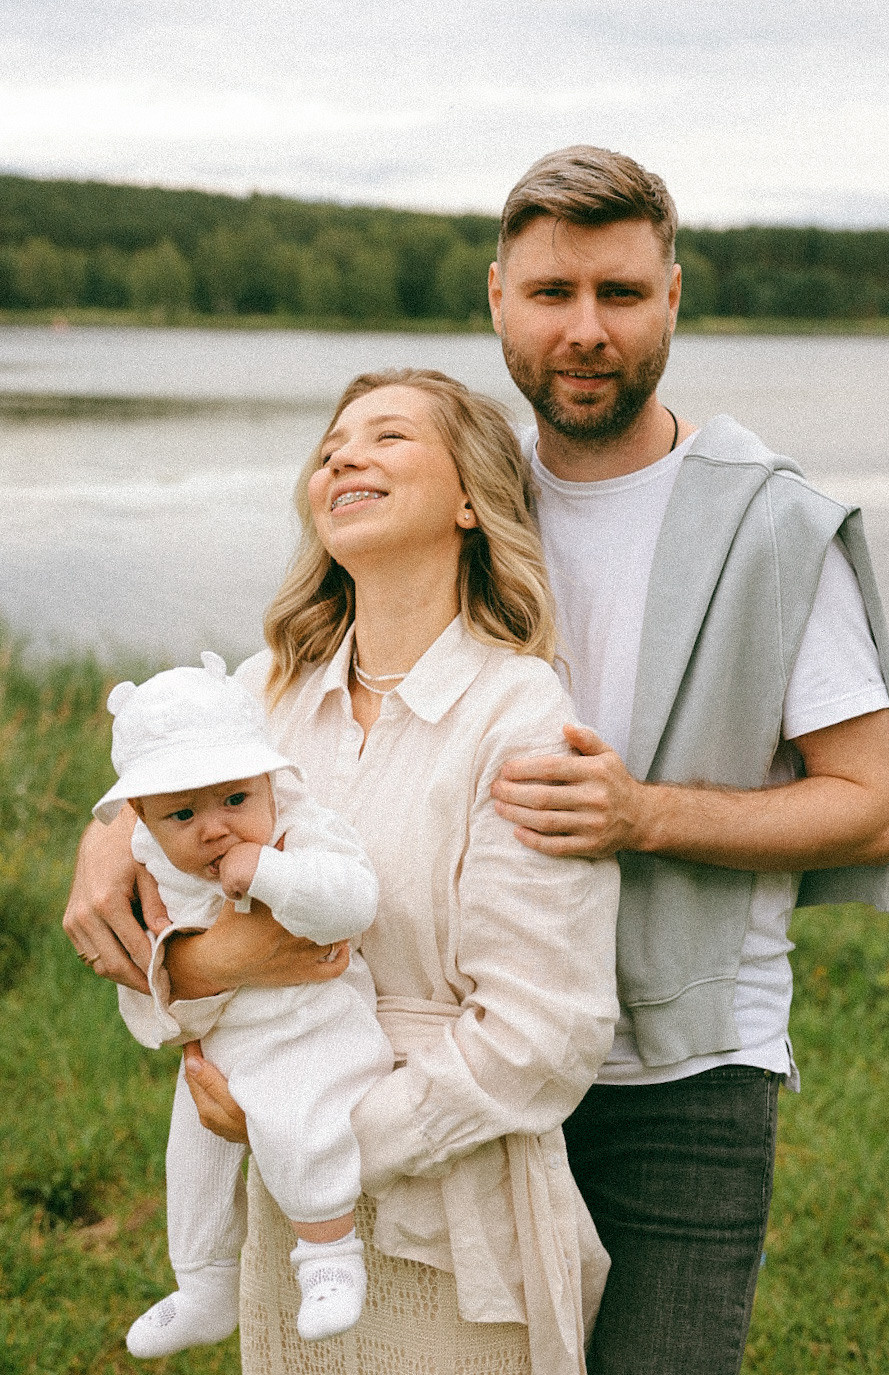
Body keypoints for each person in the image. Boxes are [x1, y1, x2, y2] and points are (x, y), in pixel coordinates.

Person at [64, 368, 621, 1375]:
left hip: (451, 1225)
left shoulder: (519, 714)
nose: (343, 455)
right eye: (330, 446)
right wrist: (119, 851)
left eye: (388, 437)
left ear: (469, 500)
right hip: (282, 1223)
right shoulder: (258, 700)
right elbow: (152, 891)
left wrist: (321, 1135)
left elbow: (546, 1033)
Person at [485, 146, 889, 1375]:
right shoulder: (454, 494)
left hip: (683, 1075)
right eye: (551, 293)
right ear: (495, 300)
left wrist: (640, 813)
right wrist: (112, 822)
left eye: (619, 294)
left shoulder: (771, 522)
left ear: (673, 296)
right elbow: (284, 696)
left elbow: (869, 807)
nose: (584, 330)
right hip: (469, 1046)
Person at [91, 651, 393, 1356]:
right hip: (220, 1043)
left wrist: (275, 875)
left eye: (234, 799)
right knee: (189, 1160)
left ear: (266, 779)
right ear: (141, 818)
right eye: (182, 813)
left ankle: (328, 1256)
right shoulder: (155, 859)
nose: (215, 828)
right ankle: (203, 1282)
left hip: (310, 1031)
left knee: (297, 1123)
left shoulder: (299, 828)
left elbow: (356, 898)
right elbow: (151, 967)